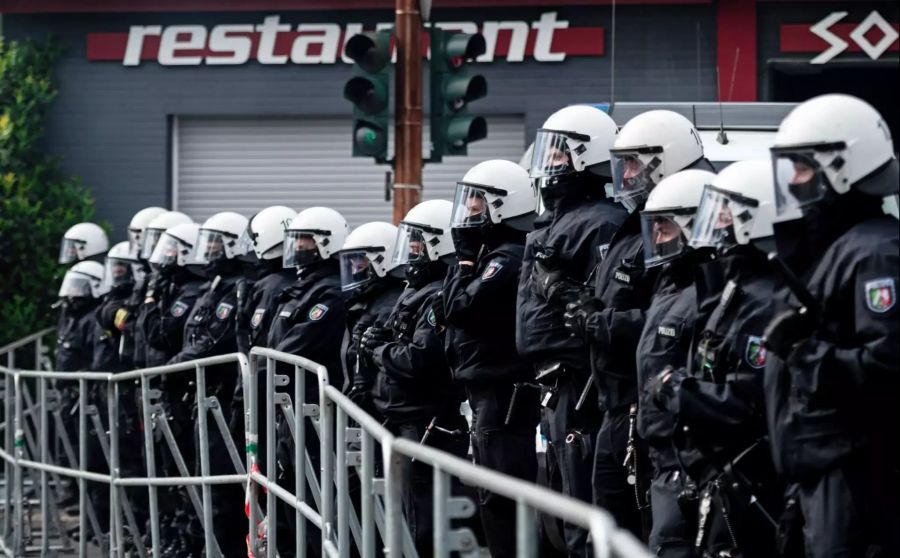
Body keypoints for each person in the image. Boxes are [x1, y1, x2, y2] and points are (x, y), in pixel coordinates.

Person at [562, 109, 715, 540]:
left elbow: (677, 314)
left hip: (651, 407)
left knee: (646, 529)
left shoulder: (688, 224)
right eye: (622, 162)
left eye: (634, 162)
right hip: (616, 403)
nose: (625, 174)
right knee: (604, 527)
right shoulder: (636, 223)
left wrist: (605, 323)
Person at [763, 94, 900, 558]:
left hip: (857, 478)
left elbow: (887, 367)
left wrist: (803, 354)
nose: (795, 183)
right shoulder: (838, 248)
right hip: (820, 473)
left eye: (802, 169)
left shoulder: (876, 252)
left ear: (842, 166)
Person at [647, 160, 784, 557]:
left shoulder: (760, 301)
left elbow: (745, 400)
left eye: (725, 213)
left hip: (746, 474)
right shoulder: (730, 291)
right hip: (713, 470)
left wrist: (677, 390)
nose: (715, 224)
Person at [517, 104, 626, 557]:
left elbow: (601, 300)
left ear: (588, 157)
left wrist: (565, 290)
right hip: (552, 380)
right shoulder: (557, 220)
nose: (550, 166)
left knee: (582, 506)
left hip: (579, 380)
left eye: (560, 156)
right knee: (560, 504)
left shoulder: (602, 220)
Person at [442, 160, 539, 558]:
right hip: (487, 393)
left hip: (503, 394)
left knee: (501, 498)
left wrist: (464, 262)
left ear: (503, 204)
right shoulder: (491, 255)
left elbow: (460, 309)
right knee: (490, 496)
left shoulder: (507, 259)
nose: (469, 211)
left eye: (478, 202)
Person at [360, 200, 467, 556]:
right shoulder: (411, 292)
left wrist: (379, 352)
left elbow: (419, 359)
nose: (412, 252)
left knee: (425, 527)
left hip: (427, 423)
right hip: (403, 419)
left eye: (419, 244)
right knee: (404, 521)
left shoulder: (437, 295)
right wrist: (379, 342)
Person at [632, 169, 717, 557]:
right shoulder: (670, 286)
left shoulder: (707, 292)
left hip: (687, 456)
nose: (657, 237)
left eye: (665, 226)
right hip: (659, 451)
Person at [267, 207, 348, 558]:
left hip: (313, 411)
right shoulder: (300, 290)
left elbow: (292, 347)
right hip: (289, 409)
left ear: (325, 244)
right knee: (287, 499)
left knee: (314, 504)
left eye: (304, 239)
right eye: (295, 239)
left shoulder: (328, 293)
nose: (297, 246)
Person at [169, 211, 251, 555]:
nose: (211, 250)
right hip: (200, 397)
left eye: (217, 242)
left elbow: (215, 341)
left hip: (222, 397)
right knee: (195, 482)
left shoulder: (236, 287)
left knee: (221, 489)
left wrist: (169, 368)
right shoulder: (215, 286)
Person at [140, 221, 205, 555]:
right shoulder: (169, 286)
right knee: (167, 472)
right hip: (164, 389)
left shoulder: (190, 291)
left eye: (169, 248)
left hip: (179, 393)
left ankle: (187, 542)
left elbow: (159, 333)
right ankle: (173, 539)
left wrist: (150, 299)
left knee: (184, 472)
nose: (162, 255)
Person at [339, 221, 405, 416]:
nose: (354, 271)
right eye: (351, 264)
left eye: (360, 263)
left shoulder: (389, 303)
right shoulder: (369, 301)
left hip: (379, 406)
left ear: (382, 262)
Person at [129, 210, 192, 369]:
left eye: (162, 240)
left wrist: (150, 300)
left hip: (167, 368)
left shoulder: (187, 287)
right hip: (148, 365)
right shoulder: (158, 280)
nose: (157, 246)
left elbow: (162, 334)